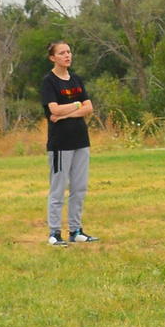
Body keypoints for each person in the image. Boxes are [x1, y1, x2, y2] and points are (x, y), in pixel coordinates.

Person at [40, 40, 96, 247]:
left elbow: (89, 107)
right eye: (62, 53)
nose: (67, 55)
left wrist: (67, 113)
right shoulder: (49, 82)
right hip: (60, 145)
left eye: (69, 52)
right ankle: (54, 232)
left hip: (81, 140)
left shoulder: (76, 79)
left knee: (79, 187)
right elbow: (54, 110)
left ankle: (76, 230)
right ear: (53, 58)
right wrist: (75, 104)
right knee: (58, 188)